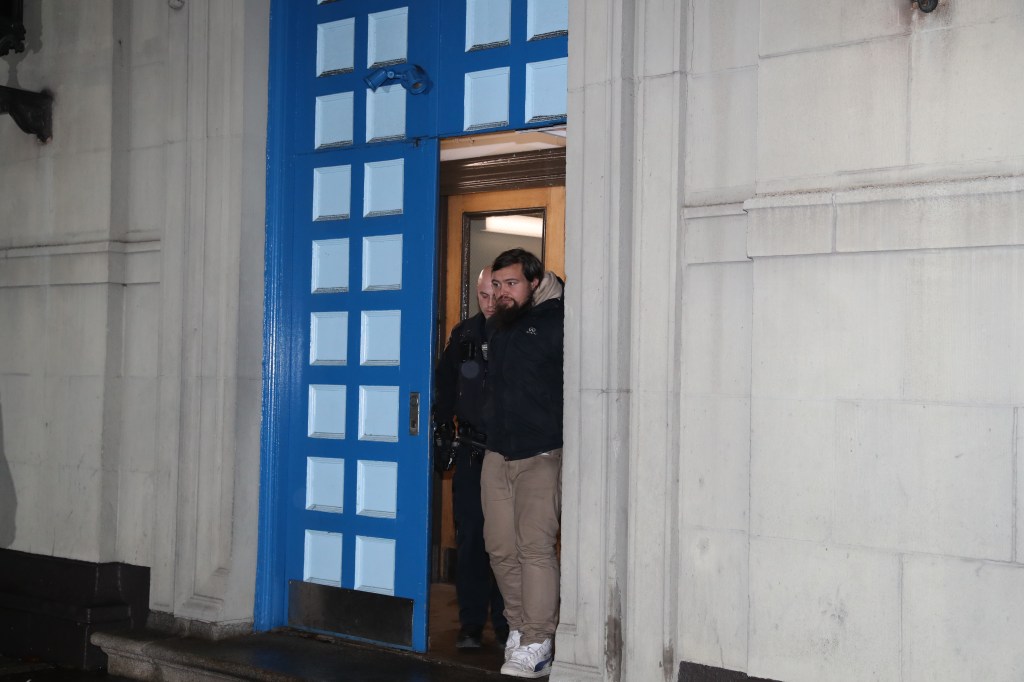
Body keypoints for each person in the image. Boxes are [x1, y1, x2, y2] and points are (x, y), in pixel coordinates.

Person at [481, 248, 564, 678]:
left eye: (510, 283)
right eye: (496, 285)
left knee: (534, 550)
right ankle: (518, 630)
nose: (501, 293)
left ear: (534, 282)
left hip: (541, 453)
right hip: (498, 453)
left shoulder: (558, 321)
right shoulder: (499, 327)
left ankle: (538, 640)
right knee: (500, 548)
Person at [433, 268, 509, 650]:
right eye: (483, 294)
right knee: (471, 542)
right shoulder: (463, 335)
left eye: (496, 292)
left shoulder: (522, 333)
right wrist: (443, 428)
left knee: (508, 542)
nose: (490, 301)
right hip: (472, 452)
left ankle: (508, 624)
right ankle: (471, 625)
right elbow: (444, 386)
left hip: (511, 454)